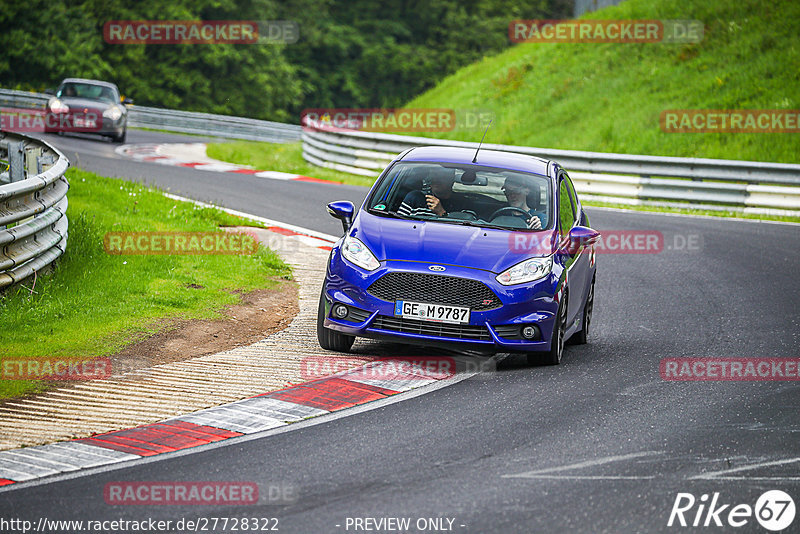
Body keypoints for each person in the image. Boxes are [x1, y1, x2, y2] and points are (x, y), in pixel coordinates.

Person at [397, 167, 469, 218]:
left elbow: (462, 231)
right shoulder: (414, 197)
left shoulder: (463, 203)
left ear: (451, 180)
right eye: (434, 176)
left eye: (442, 176)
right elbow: (399, 223)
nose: (436, 180)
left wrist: (441, 212)